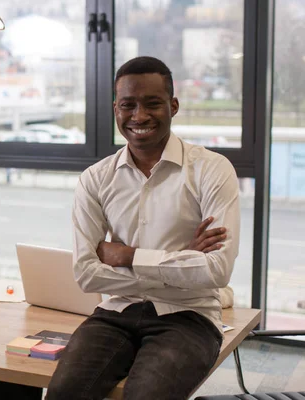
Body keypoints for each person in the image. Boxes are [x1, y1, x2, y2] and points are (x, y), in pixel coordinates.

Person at [46, 56, 240, 400]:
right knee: (63, 393)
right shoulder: (96, 179)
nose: (139, 116)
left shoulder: (211, 170)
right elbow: (87, 275)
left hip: (189, 316)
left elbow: (216, 270)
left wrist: (128, 256)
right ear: (116, 109)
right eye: (128, 105)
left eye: (152, 103)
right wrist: (180, 261)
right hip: (117, 311)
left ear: (173, 106)